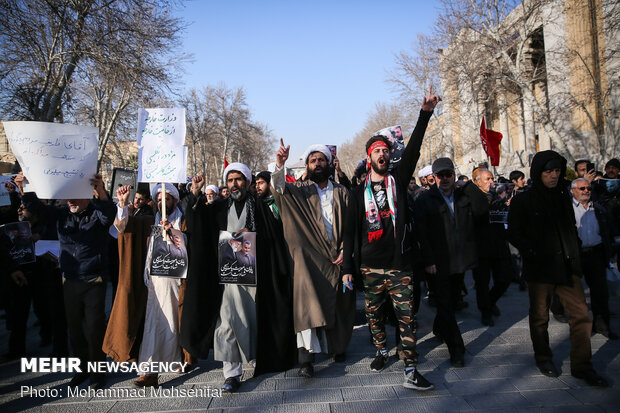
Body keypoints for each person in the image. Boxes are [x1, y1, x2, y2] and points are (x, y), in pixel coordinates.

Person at [342, 89, 439, 391]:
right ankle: (382, 350)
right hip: (370, 266)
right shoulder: (358, 194)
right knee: (373, 315)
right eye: (376, 151)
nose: (382, 154)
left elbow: (413, 148)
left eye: (385, 150)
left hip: (400, 265)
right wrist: (348, 267)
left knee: (406, 318)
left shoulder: (398, 179)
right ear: (369, 157)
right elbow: (349, 232)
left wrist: (424, 114)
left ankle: (410, 367)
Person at [508, 150, 608, 387]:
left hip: (567, 267)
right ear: (538, 173)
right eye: (548, 172)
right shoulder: (524, 200)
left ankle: (582, 365)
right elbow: (514, 233)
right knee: (540, 317)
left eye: (556, 171)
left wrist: (575, 253)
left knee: (581, 316)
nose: (553, 176)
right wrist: (531, 251)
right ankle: (544, 358)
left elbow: (570, 228)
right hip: (540, 270)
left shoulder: (563, 196)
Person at [20, 173, 115, 389]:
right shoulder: (62, 214)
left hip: (94, 280)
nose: (70, 201)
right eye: (67, 197)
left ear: (86, 196)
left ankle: (98, 373)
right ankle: (82, 369)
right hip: (70, 279)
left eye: (75, 197)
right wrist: (25, 187)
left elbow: (109, 214)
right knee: (75, 329)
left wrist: (100, 190)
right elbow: (39, 209)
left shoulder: (97, 213)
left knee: (93, 328)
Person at [272, 141, 355, 378]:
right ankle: (306, 359)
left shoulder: (342, 192)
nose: (318, 164)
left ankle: (338, 348)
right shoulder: (299, 190)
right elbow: (278, 189)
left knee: (341, 304)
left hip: (338, 258)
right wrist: (280, 164)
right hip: (310, 262)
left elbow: (352, 227)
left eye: (322, 160)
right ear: (307, 165)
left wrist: (345, 252)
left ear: (329, 163)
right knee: (307, 308)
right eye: (313, 160)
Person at [182, 164, 261, 393]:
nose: (234, 184)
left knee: (251, 318)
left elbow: (271, 234)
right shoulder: (217, 207)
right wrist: (194, 193)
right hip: (226, 277)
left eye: (238, 179)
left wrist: (251, 233)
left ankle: (256, 358)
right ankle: (231, 373)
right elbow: (196, 221)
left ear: (247, 181)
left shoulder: (257, 206)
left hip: (253, 276)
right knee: (226, 323)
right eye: (230, 180)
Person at [414, 158, 480, 367]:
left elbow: (481, 210)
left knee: (450, 301)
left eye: (448, 175)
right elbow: (421, 234)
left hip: (459, 261)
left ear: (453, 175)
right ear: (433, 177)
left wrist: (469, 185)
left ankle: (439, 327)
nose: (444, 179)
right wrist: (428, 261)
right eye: (440, 175)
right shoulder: (425, 200)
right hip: (438, 262)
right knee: (445, 304)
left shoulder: (463, 196)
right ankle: (457, 349)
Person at [569, 178, 617, 339]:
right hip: (577, 255)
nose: (586, 191)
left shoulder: (598, 209)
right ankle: (581, 328)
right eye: (582, 188)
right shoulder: (567, 210)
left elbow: (608, 230)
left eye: (588, 188)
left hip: (596, 254)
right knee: (576, 295)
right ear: (573, 191)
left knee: (600, 293)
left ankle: (603, 326)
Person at [470, 168, 511, 327]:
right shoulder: (471, 197)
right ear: (477, 182)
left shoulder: (499, 197)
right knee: (482, 282)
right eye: (487, 179)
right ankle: (485, 311)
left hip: (499, 244)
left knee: (505, 278)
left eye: (491, 178)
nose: (491, 182)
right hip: (480, 247)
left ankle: (491, 300)